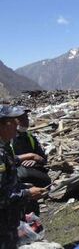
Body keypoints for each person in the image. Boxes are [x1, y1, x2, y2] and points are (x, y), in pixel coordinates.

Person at [0, 105, 46, 249]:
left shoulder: (5, 147)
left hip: (10, 219)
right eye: (13, 121)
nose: (17, 124)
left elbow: (10, 162)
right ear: (2, 125)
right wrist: (27, 193)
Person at [11, 108, 51, 188]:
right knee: (24, 175)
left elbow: (42, 158)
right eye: (21, 119)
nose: (26, 121)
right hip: (12, 170)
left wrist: (35, 160)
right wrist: (29, 156)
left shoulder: (29, 137)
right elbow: (4, 160)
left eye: (26, 118)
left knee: (45, 180)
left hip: (31, 168)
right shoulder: (6, 138)